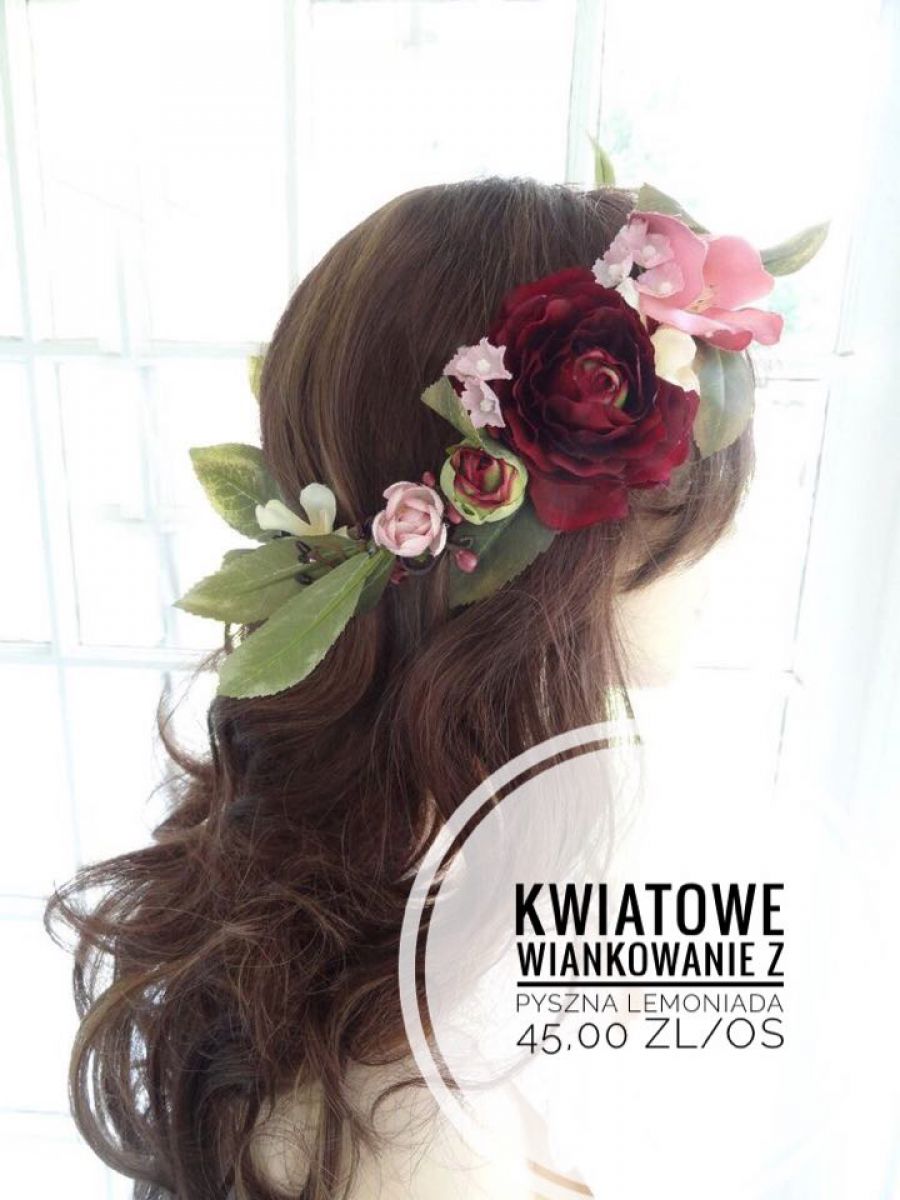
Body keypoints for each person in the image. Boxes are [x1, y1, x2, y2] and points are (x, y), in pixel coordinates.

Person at [46, 176, 765, 1199]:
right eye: (685, 494)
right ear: (547, 541)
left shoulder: (405, 867)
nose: (728, 542)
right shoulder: (404, 1135)